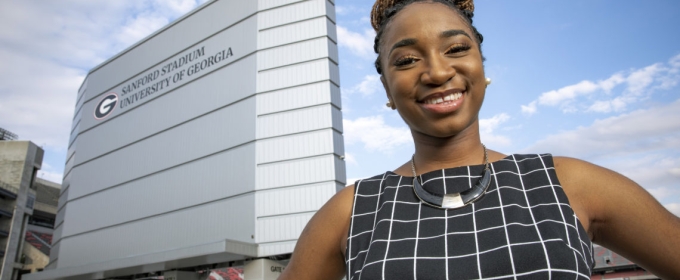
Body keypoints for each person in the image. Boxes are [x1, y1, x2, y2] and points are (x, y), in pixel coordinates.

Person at [279, 0, 680, 279]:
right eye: (406, 60)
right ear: (387, 88)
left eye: (455, 48)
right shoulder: (352, 210)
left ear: (481, 67)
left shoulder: (569, 183)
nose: (437, 72)